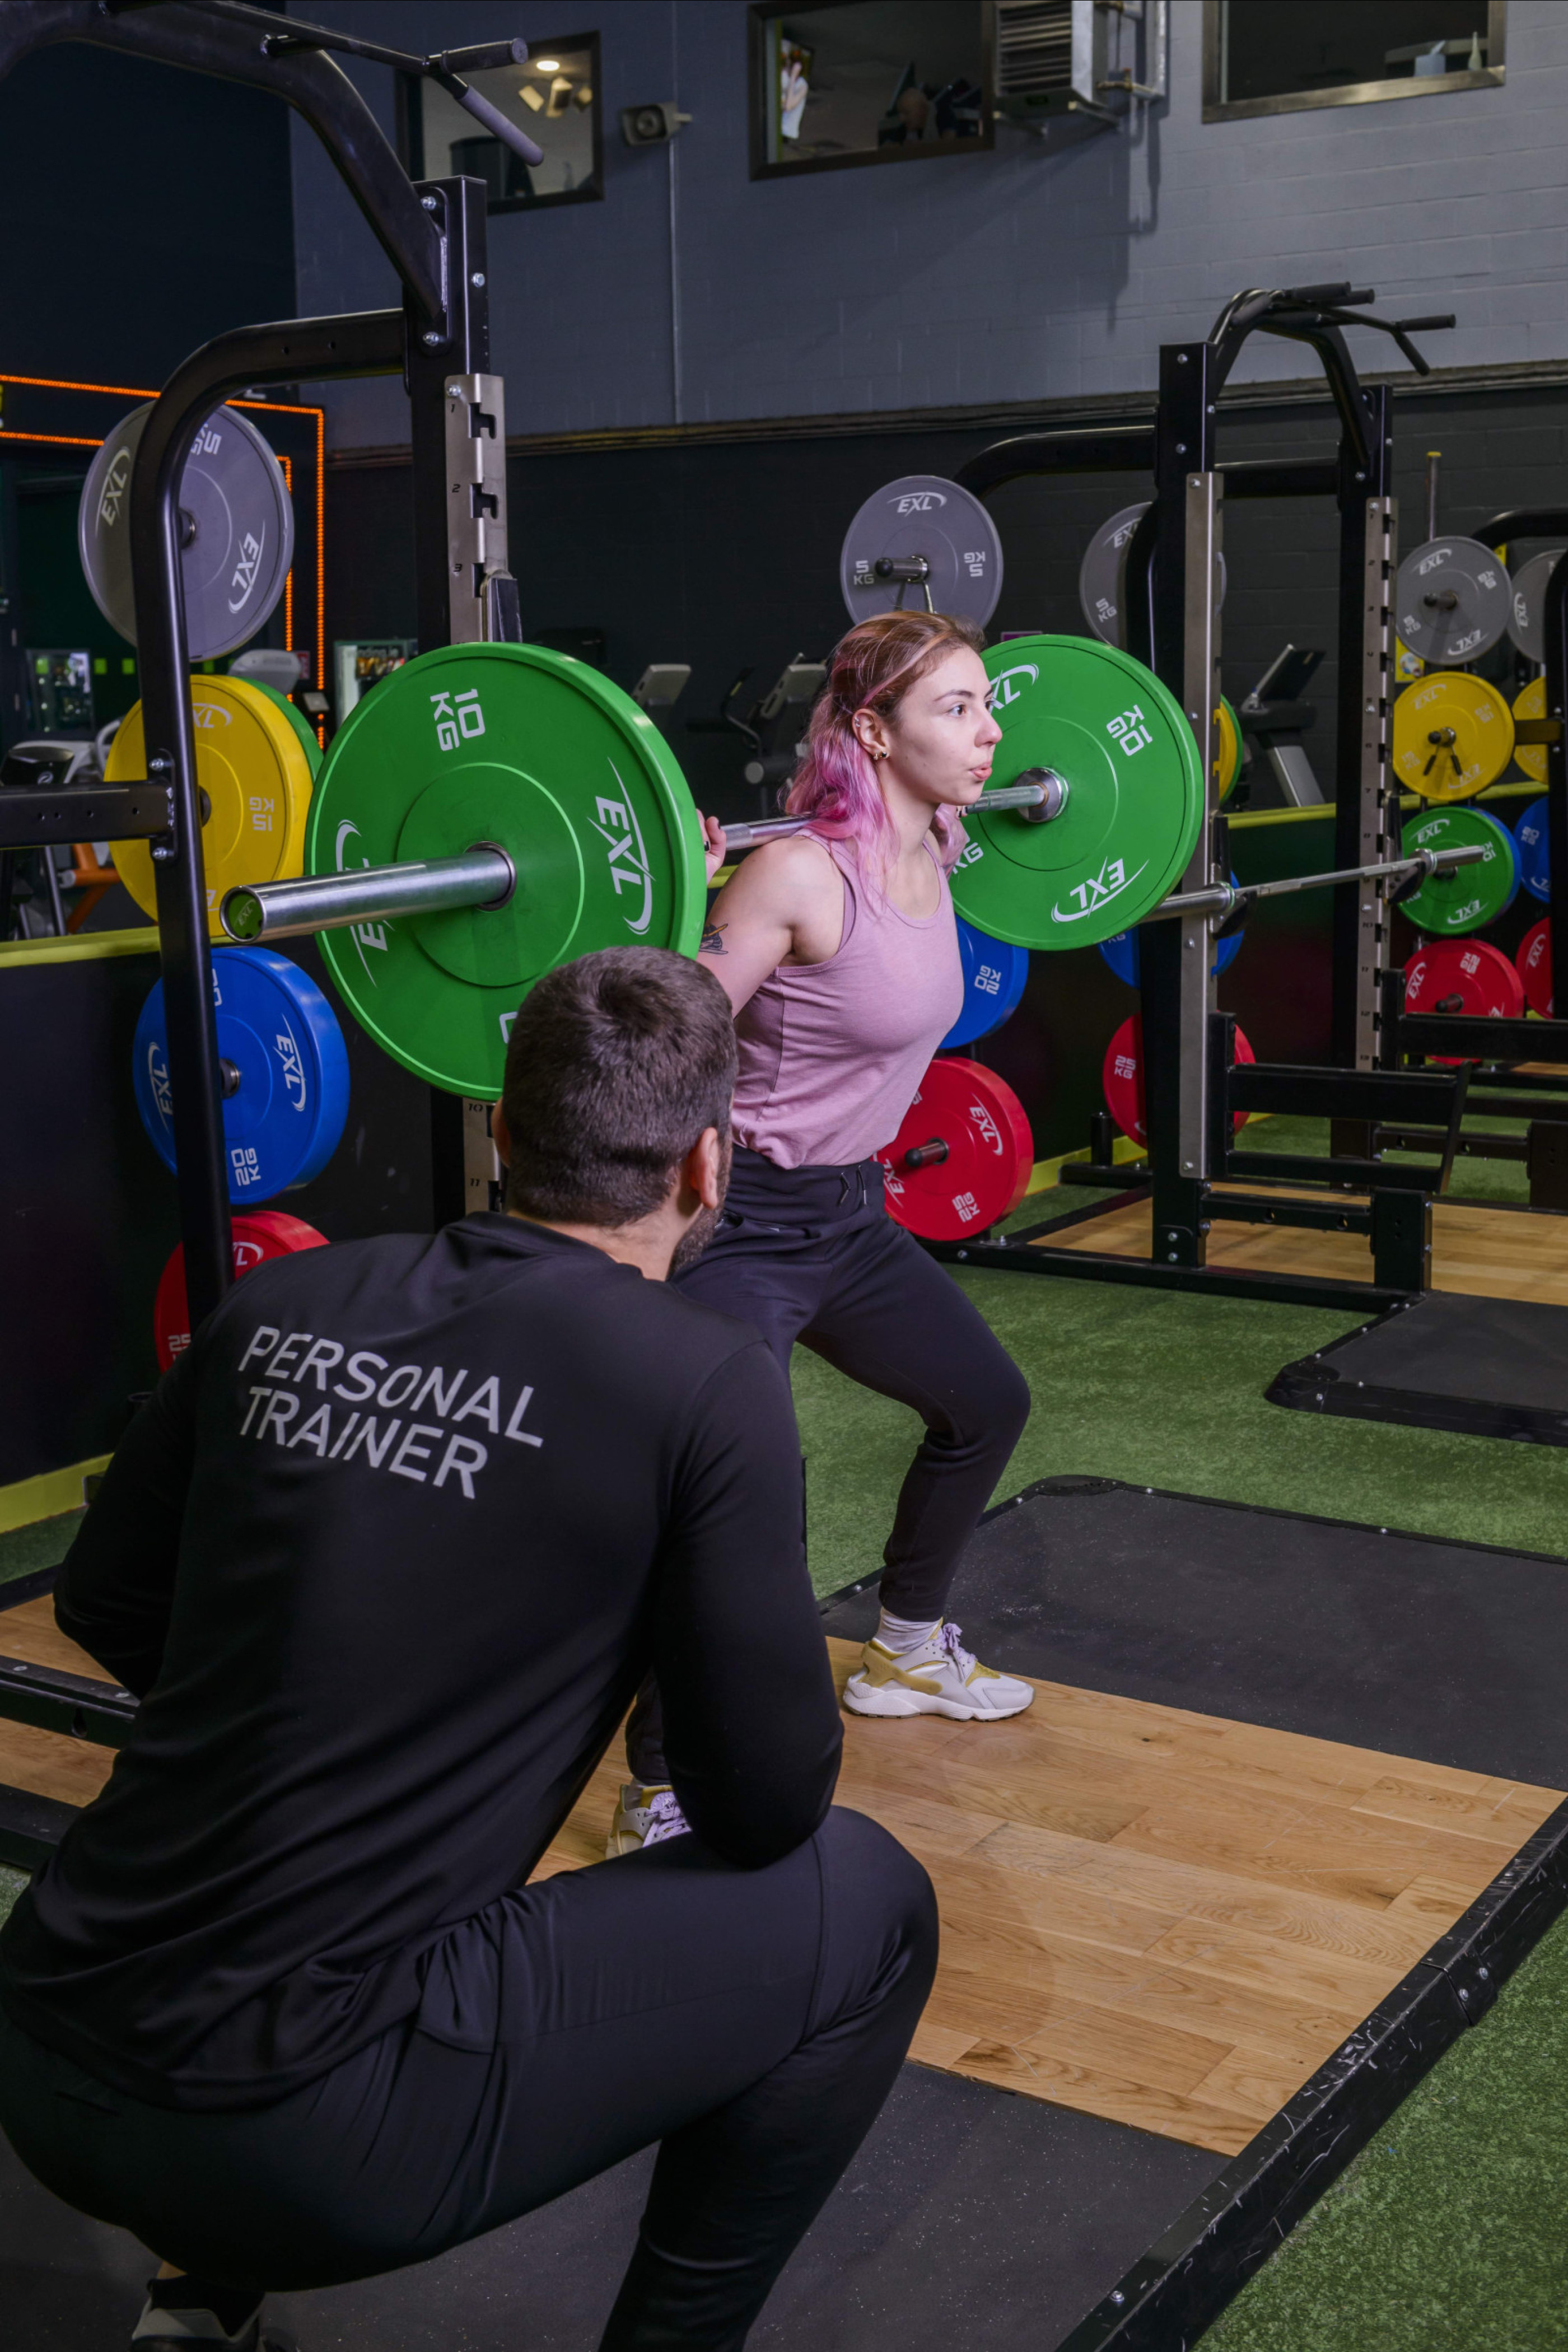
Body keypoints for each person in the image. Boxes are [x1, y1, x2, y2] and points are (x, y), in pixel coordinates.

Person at [0, 947, 937, 2352]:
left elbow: (106, 1602)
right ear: (708, 1165)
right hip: (299, 2139)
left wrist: (318, 1721)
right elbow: (764, 1809)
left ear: (500, 1131)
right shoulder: (703, 1385)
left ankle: (201, 2299)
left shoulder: (281, 1305)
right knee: (868, 1901)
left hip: (43, 2037)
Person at [611, 610, 1034, 1857]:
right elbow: (662, 1037)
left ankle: (903, 1650)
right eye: (953, 707)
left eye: (983, 701)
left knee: (983, 1403)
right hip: (736, 1225)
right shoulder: (798, 873)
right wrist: (669, 891)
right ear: (870, 730)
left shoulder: (943, 838)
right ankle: (657, 1782)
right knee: (736, 1501)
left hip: (850, 1215)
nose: (988, 728)